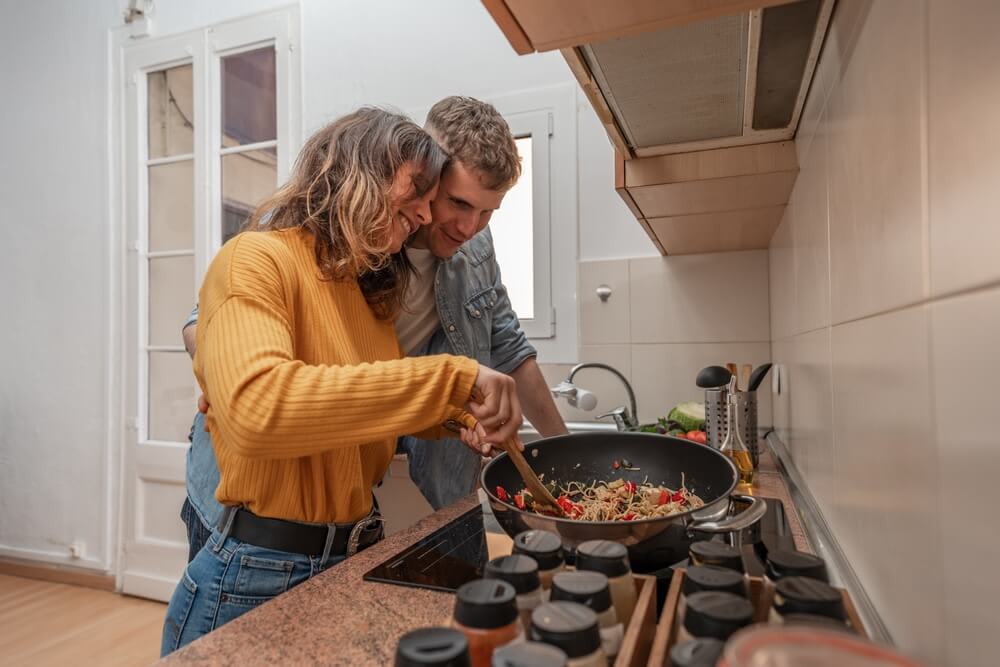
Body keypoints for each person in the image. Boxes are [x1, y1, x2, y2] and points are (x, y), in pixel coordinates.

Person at [161, 107, 523, 656]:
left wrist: (462, 418)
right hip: (255, 573)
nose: (426, 214)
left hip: (354, 555)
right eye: (420, 192)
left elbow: (361, 399)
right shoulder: (256, 258)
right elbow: (261, 414)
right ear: (360, 174)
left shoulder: (368, 296)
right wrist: (453, 377)